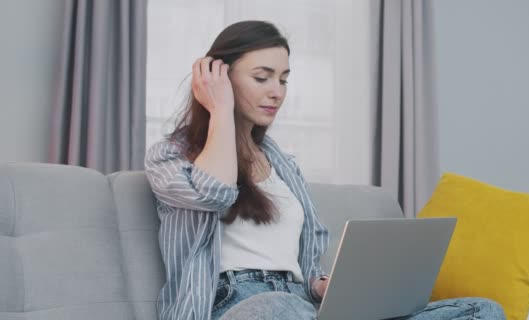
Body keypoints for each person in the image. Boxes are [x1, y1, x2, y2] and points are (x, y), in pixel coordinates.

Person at [144, 20, 506, 320]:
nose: (277, 92)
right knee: (278, 307)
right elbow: (215, 192)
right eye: (262, 77)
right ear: (218, 76)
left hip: (302, 306)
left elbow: (304, 261)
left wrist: (320, 285)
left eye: (284, 79)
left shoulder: (284, 165)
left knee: (482, 311)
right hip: (236, 306)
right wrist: (220, 110)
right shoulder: (169, 157)